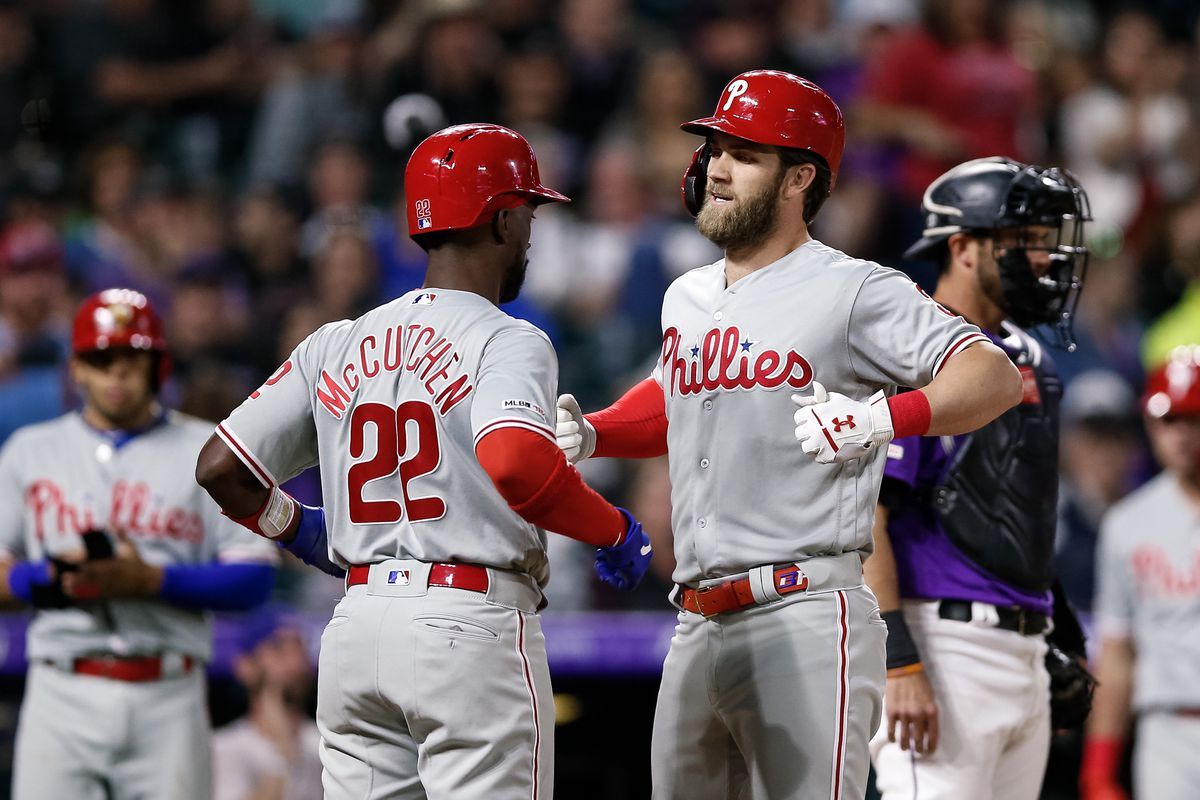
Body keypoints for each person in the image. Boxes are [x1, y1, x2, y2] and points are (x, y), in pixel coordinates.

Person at [555, 70, 1023, 800]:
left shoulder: (853, 289)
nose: (716, 166)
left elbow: (990, 375)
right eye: (714, 148)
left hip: (804, 610)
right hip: (696, 619)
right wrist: (596, 433)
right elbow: (676, 394)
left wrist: (881, 418)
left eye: (743, 153)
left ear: (800, 176)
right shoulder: (689, 294)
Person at [195, 123, 651, 800]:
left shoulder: (338, 341)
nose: (530, 233)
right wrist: (611, 526)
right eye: (526, 214)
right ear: (500, 220)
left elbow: (219, 467)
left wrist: (300, 527)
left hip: (356, 631)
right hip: (470, 626)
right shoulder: (507, 339)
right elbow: (519, 463)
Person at [862, 156, 1093, 799]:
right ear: (962, 248)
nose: (1045, 260)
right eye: (1024, 242)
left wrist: (1060, 633)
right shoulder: (912, 352)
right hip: (940, 646)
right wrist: (901, 659)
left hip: (1024, 642)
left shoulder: (1031, 359)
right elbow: (868, 519)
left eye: (1047, 243)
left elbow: (1021, 510)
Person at [0, 288, 279, 800]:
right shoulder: (29, 451)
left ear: (158, 365)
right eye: (102, 358)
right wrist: (49, 578)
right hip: (61, 690)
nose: (118, 372)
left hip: (168, 693)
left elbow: (256, 576)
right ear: (77, 368)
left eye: (133, 357)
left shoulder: (208, 449)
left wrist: (151, 580)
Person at [1081, 348, 1200, 800]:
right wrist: (1100, 764)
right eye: (1169, 420)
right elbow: (1118, 651)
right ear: (1150, 426)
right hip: (1166, 734)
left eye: (1193, 418)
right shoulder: (1128, 523)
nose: (1182, 435)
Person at [213, 609, 323, 800]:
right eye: (278, 649)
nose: (294, 661)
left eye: (299, 648)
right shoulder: (225, 746)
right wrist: (281, 755)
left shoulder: (326, 742)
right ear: (245, 666)